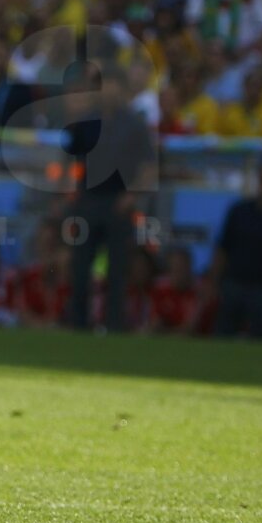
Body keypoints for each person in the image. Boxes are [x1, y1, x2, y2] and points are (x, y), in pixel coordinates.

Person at [61, 63, 157, 332]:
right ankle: (78, 325)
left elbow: (148, 166)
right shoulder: (85, 121)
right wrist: (65, 191)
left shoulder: (135, 124)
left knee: (117, 270)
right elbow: (68, 157)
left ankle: (114, 325)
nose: (108, 92)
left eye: (113, 86)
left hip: (118, 202)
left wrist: (132, 196)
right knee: (80, 266)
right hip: (88, 200)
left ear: (123, 90)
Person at [211, 151, 262, 339]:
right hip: (234, 283)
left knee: (259, 338)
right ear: (260, 181)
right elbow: (223, 248)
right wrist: (213, 282)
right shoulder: (239, 211)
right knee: (224, 335)